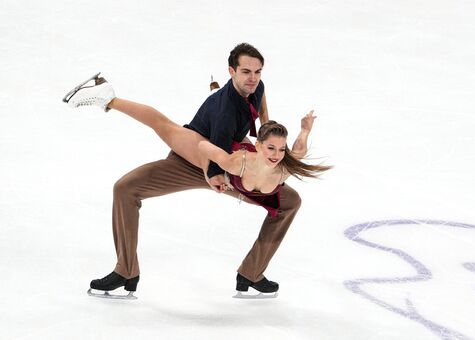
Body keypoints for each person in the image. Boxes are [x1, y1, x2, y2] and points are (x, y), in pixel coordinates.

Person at [64, 43, 329, 298]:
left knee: (290, 201)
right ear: (231, 71)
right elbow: (210, 150)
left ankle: (251, 273)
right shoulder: (226, 112)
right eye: (246, 72)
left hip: (230, 161)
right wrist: (214, 174)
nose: (253, 78)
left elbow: (259, 106)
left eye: (258, 72)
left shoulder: (256, 87)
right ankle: (125, 270)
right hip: (202, 158)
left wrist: (264, 129)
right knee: (126, 187)